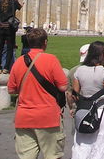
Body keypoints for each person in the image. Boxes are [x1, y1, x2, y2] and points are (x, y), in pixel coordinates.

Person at [7, 28, 68, 159]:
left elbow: (11, 90)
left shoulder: (18, 62)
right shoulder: (51, 60)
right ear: (45, 42)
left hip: (24, 117)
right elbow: (63, 87)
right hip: (48, 117)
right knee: (52, 156)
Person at [72, 41, 104, 159]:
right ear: (100, 54)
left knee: (82, 142)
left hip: (84, 109)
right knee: (102, 141)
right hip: (101, 110)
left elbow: (75, 95)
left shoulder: (79, 71)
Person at [0, 0, 22, 74]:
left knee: (0, 48)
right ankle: (6, 67)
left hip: (0, 28)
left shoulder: (0, 1)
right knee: (10, 48)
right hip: (9, 29)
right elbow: (20, 7)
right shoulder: (13, 2)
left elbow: (1, 9)